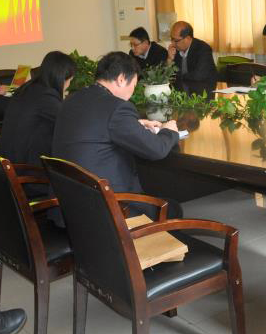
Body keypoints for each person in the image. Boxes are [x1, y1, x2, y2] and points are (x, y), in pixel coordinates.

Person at [52, 52, 180, 216]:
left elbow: (94, 126)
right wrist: (169, 131)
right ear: (121, 79)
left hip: (72, 207)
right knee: (173, 208)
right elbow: (157, 149)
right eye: (134, 85)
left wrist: (134, 124)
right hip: (111, 210)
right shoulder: (117, 107)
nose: (132, 91)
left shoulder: (72, 99)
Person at [0, 51, 75, 166]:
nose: (68, 85)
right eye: (70, 81)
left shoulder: (27, 88)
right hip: (25, 167)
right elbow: (69, 124)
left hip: (8, 160)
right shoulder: (46, 96)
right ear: (62, 77)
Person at [166, 21, 217, 96]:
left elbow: (198, 76)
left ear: (187, 38)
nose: (172, 43)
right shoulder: (175, 50)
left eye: (176, 40)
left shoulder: (203, 49)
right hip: (183, 92)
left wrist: (177, 76)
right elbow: (165, 77)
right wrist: (169, 59)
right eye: (171, 39)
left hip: (203, 93)